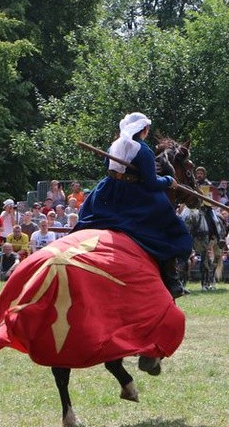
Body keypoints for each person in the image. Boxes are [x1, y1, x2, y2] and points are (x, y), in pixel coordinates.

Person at [73, 112, 192, 299]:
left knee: (88, 214)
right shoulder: (144, 150)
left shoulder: (114, 146)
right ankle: (172, 279)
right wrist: (169, 180)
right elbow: (151, 184)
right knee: (170, 225)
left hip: (109, 191)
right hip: (132, 194)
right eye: (147, 128)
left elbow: (108, 166)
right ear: (143, 129)